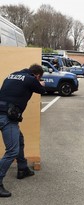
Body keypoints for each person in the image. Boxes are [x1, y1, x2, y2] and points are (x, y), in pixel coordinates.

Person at [0, 64, 46, 197]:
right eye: (39, 78)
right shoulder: (32, 79)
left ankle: (22, 168)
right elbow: (42, 91)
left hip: (2, 112)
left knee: (19, 139)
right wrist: (40, 83)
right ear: (37, 75)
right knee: (12, 151)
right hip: (7, 117)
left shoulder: (11, 75)